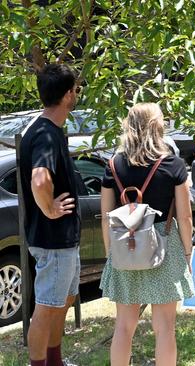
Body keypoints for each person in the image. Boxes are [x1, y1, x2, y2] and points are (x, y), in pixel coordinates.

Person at [100, 103, 195, 365]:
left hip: (124, 245)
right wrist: (187, 252)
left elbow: (106, 217)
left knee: (123, 326)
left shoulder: (113, 165)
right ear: (157, 126)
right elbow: (185, 217)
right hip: (164, 242)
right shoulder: (173, 165)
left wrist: (111, 254)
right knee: (165, 327)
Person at [19, 64, 81, 366]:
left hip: (62, 241)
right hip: (53, 240)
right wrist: (50, 209)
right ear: (68, 94)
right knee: (46, 308)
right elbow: (40, 178)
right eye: (76, 89)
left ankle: (55, 360)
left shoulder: (50, 130)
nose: (77, 94)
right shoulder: (45, 134)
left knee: (62, 302)